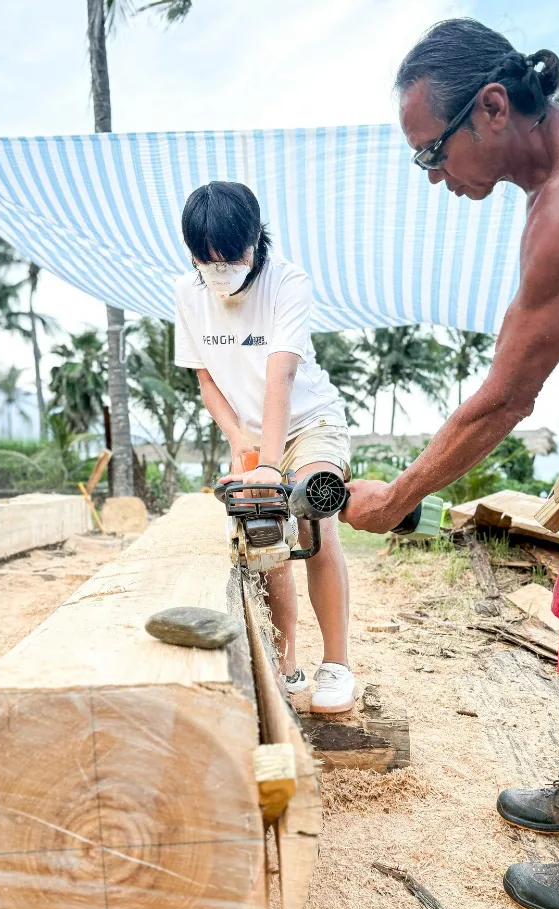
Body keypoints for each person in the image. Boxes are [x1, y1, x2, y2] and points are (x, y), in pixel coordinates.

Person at [341, 16, 559, 909]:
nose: (432, 178)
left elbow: (505, 399)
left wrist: (397, 498)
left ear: (492, 108)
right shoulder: (558, 176)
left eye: (431, 154)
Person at [174, 180, 355, 713]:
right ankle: (286, 663)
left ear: (254, 244)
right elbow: (207, 381)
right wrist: (241, 440)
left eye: (229, 258)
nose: (219, 270)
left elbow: (282, 374)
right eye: (206, 262)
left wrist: (272, 466)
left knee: (313, 514)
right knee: (266, 529)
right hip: (252, 431)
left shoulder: (287, 282)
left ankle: (337, 665)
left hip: (307, 420)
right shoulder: (187, 293)